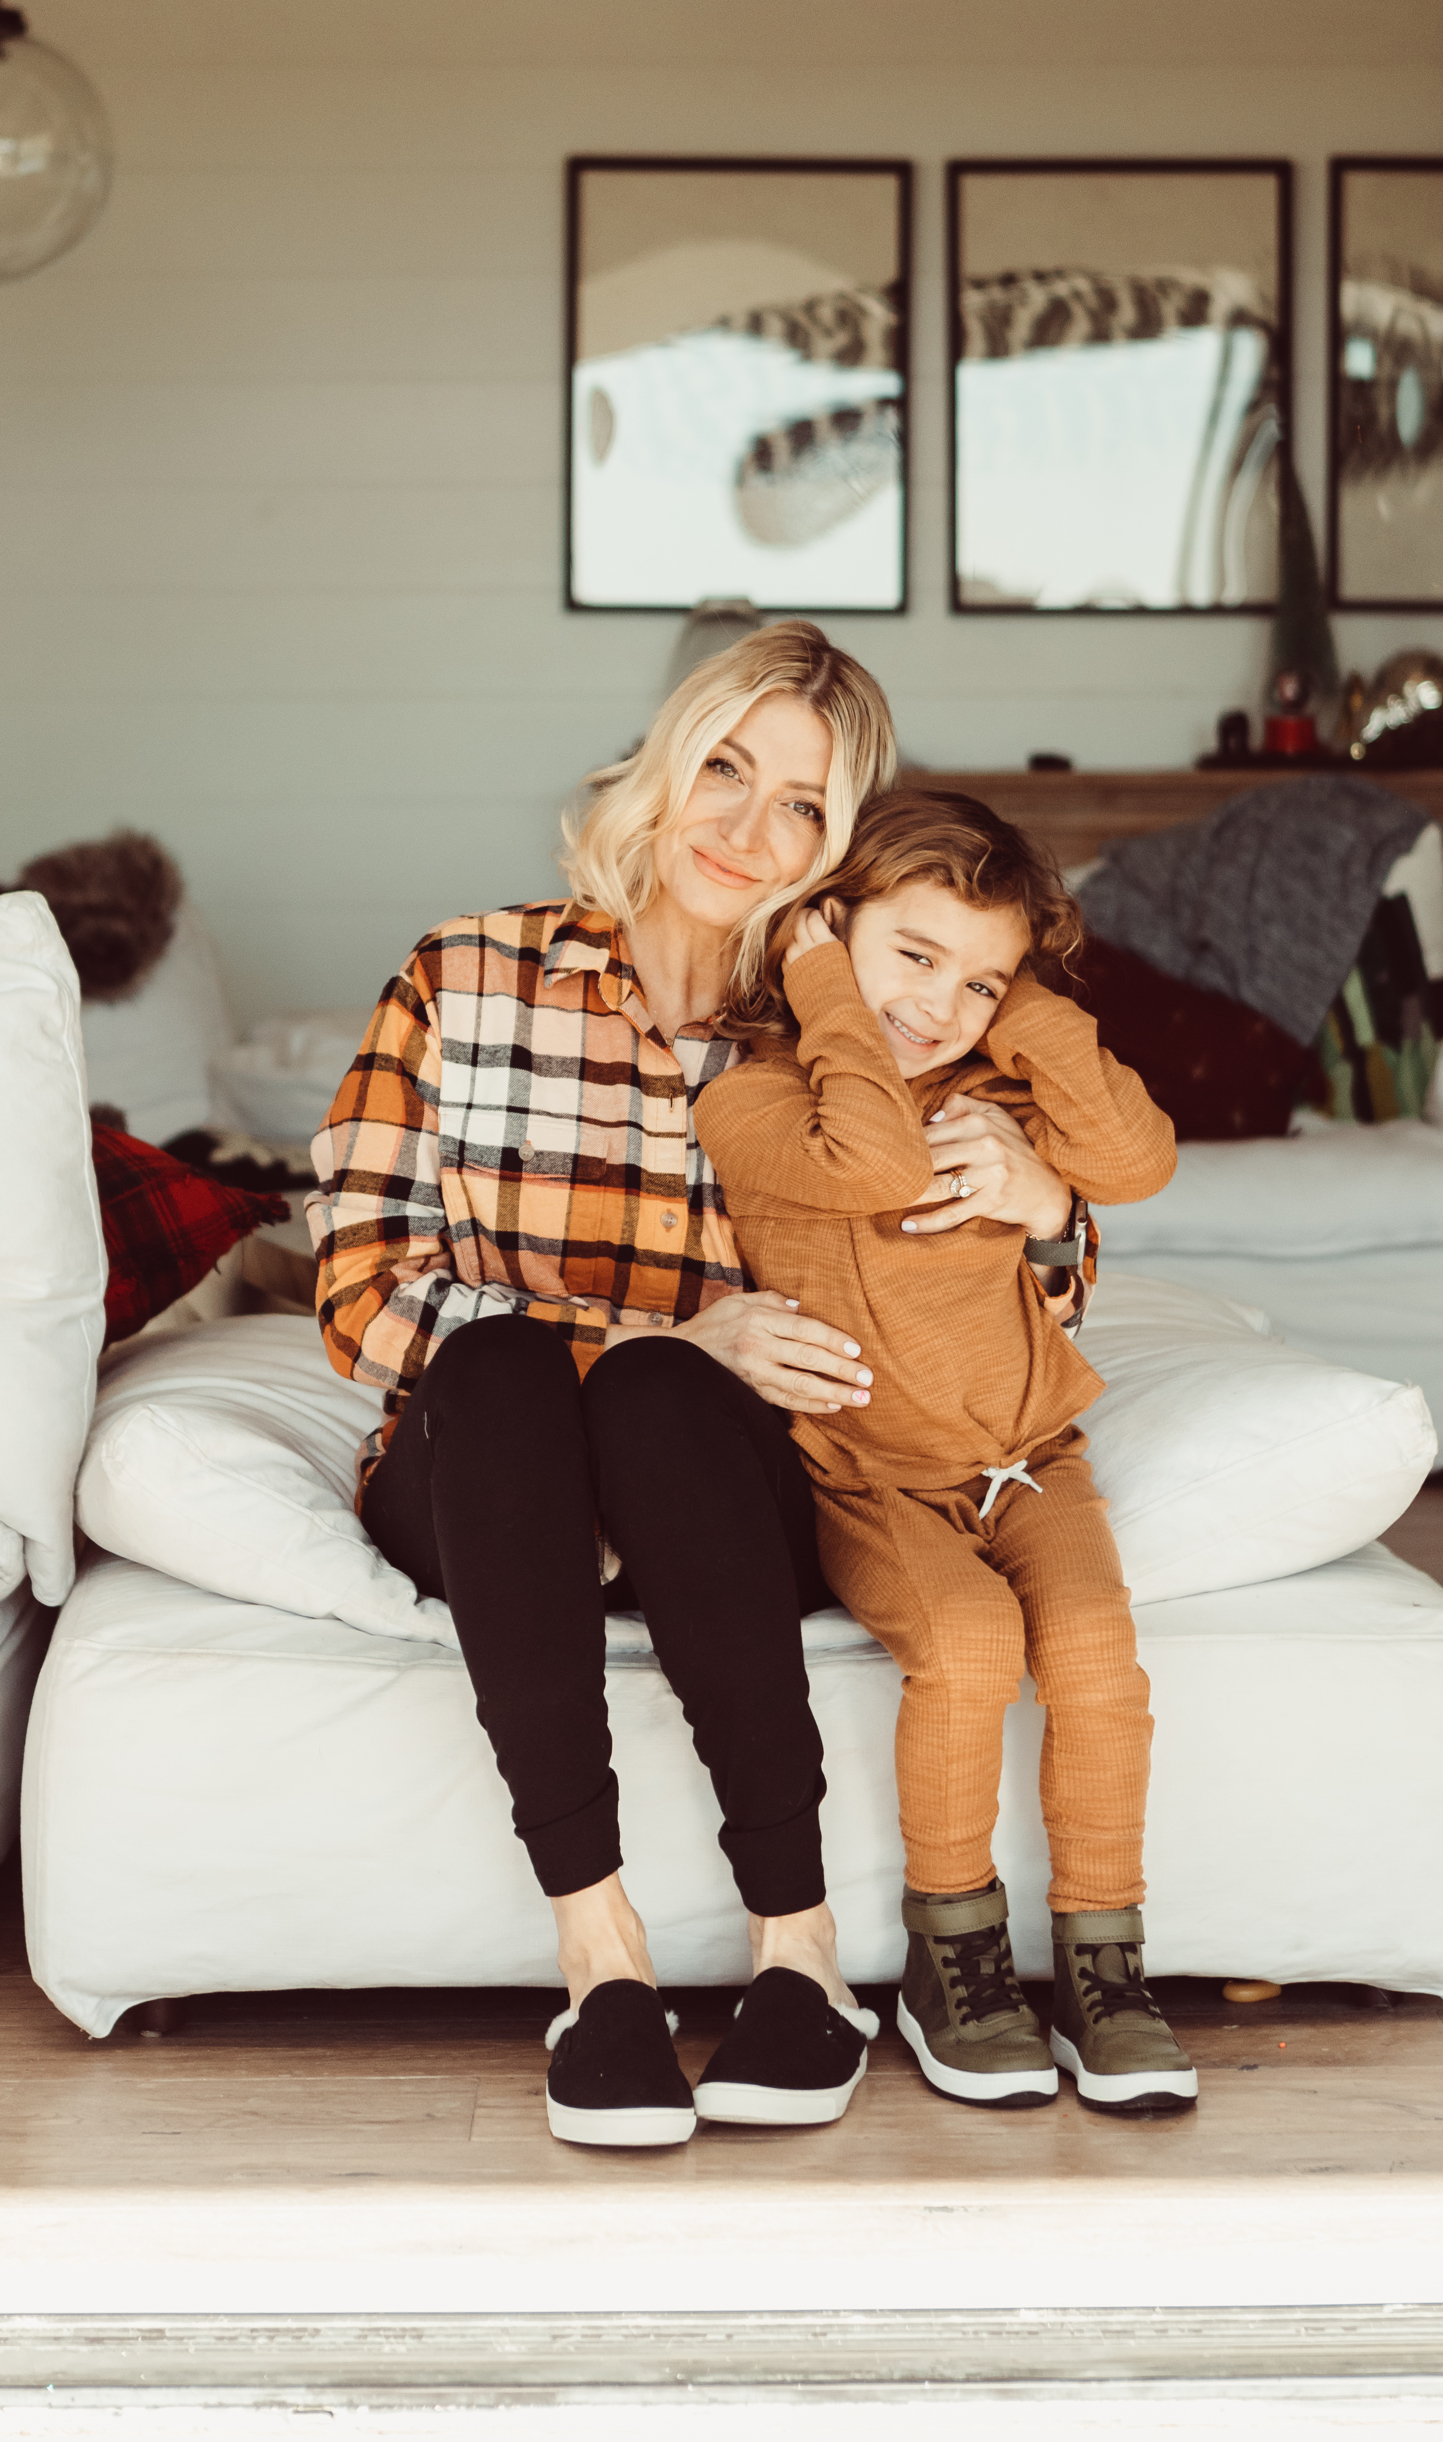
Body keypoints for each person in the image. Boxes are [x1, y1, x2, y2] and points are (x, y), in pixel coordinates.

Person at [308, 622, 900, 2149]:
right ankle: (602, 1959)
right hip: (489, 1485)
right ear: (666, 759)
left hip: (721, 1500)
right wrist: (661, 1334)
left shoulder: (840, 1032)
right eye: (727, 769)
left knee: (659, 1405)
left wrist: (1049, 1204)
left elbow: (1014, 1283)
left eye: (803, 809)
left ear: (836, 850)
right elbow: (363, 1292)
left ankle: (802, 1955)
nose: (747, 830)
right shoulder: (465, 973)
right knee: (508, 1361)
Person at [696, 788, 1199, 2117]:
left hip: (1037, 1456)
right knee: (971, 1645)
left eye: (980, 981)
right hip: (874, 1478)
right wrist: (819, 985)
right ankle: (953, 1954)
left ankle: (1106, 1962)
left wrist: (1041, 1155)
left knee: (1093, 1646)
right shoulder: (754, 1104)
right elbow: (866, 1164)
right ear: (826, 929)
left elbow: (1140, 1161)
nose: (942, 1007)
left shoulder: (995, 1089)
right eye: (912, 956)